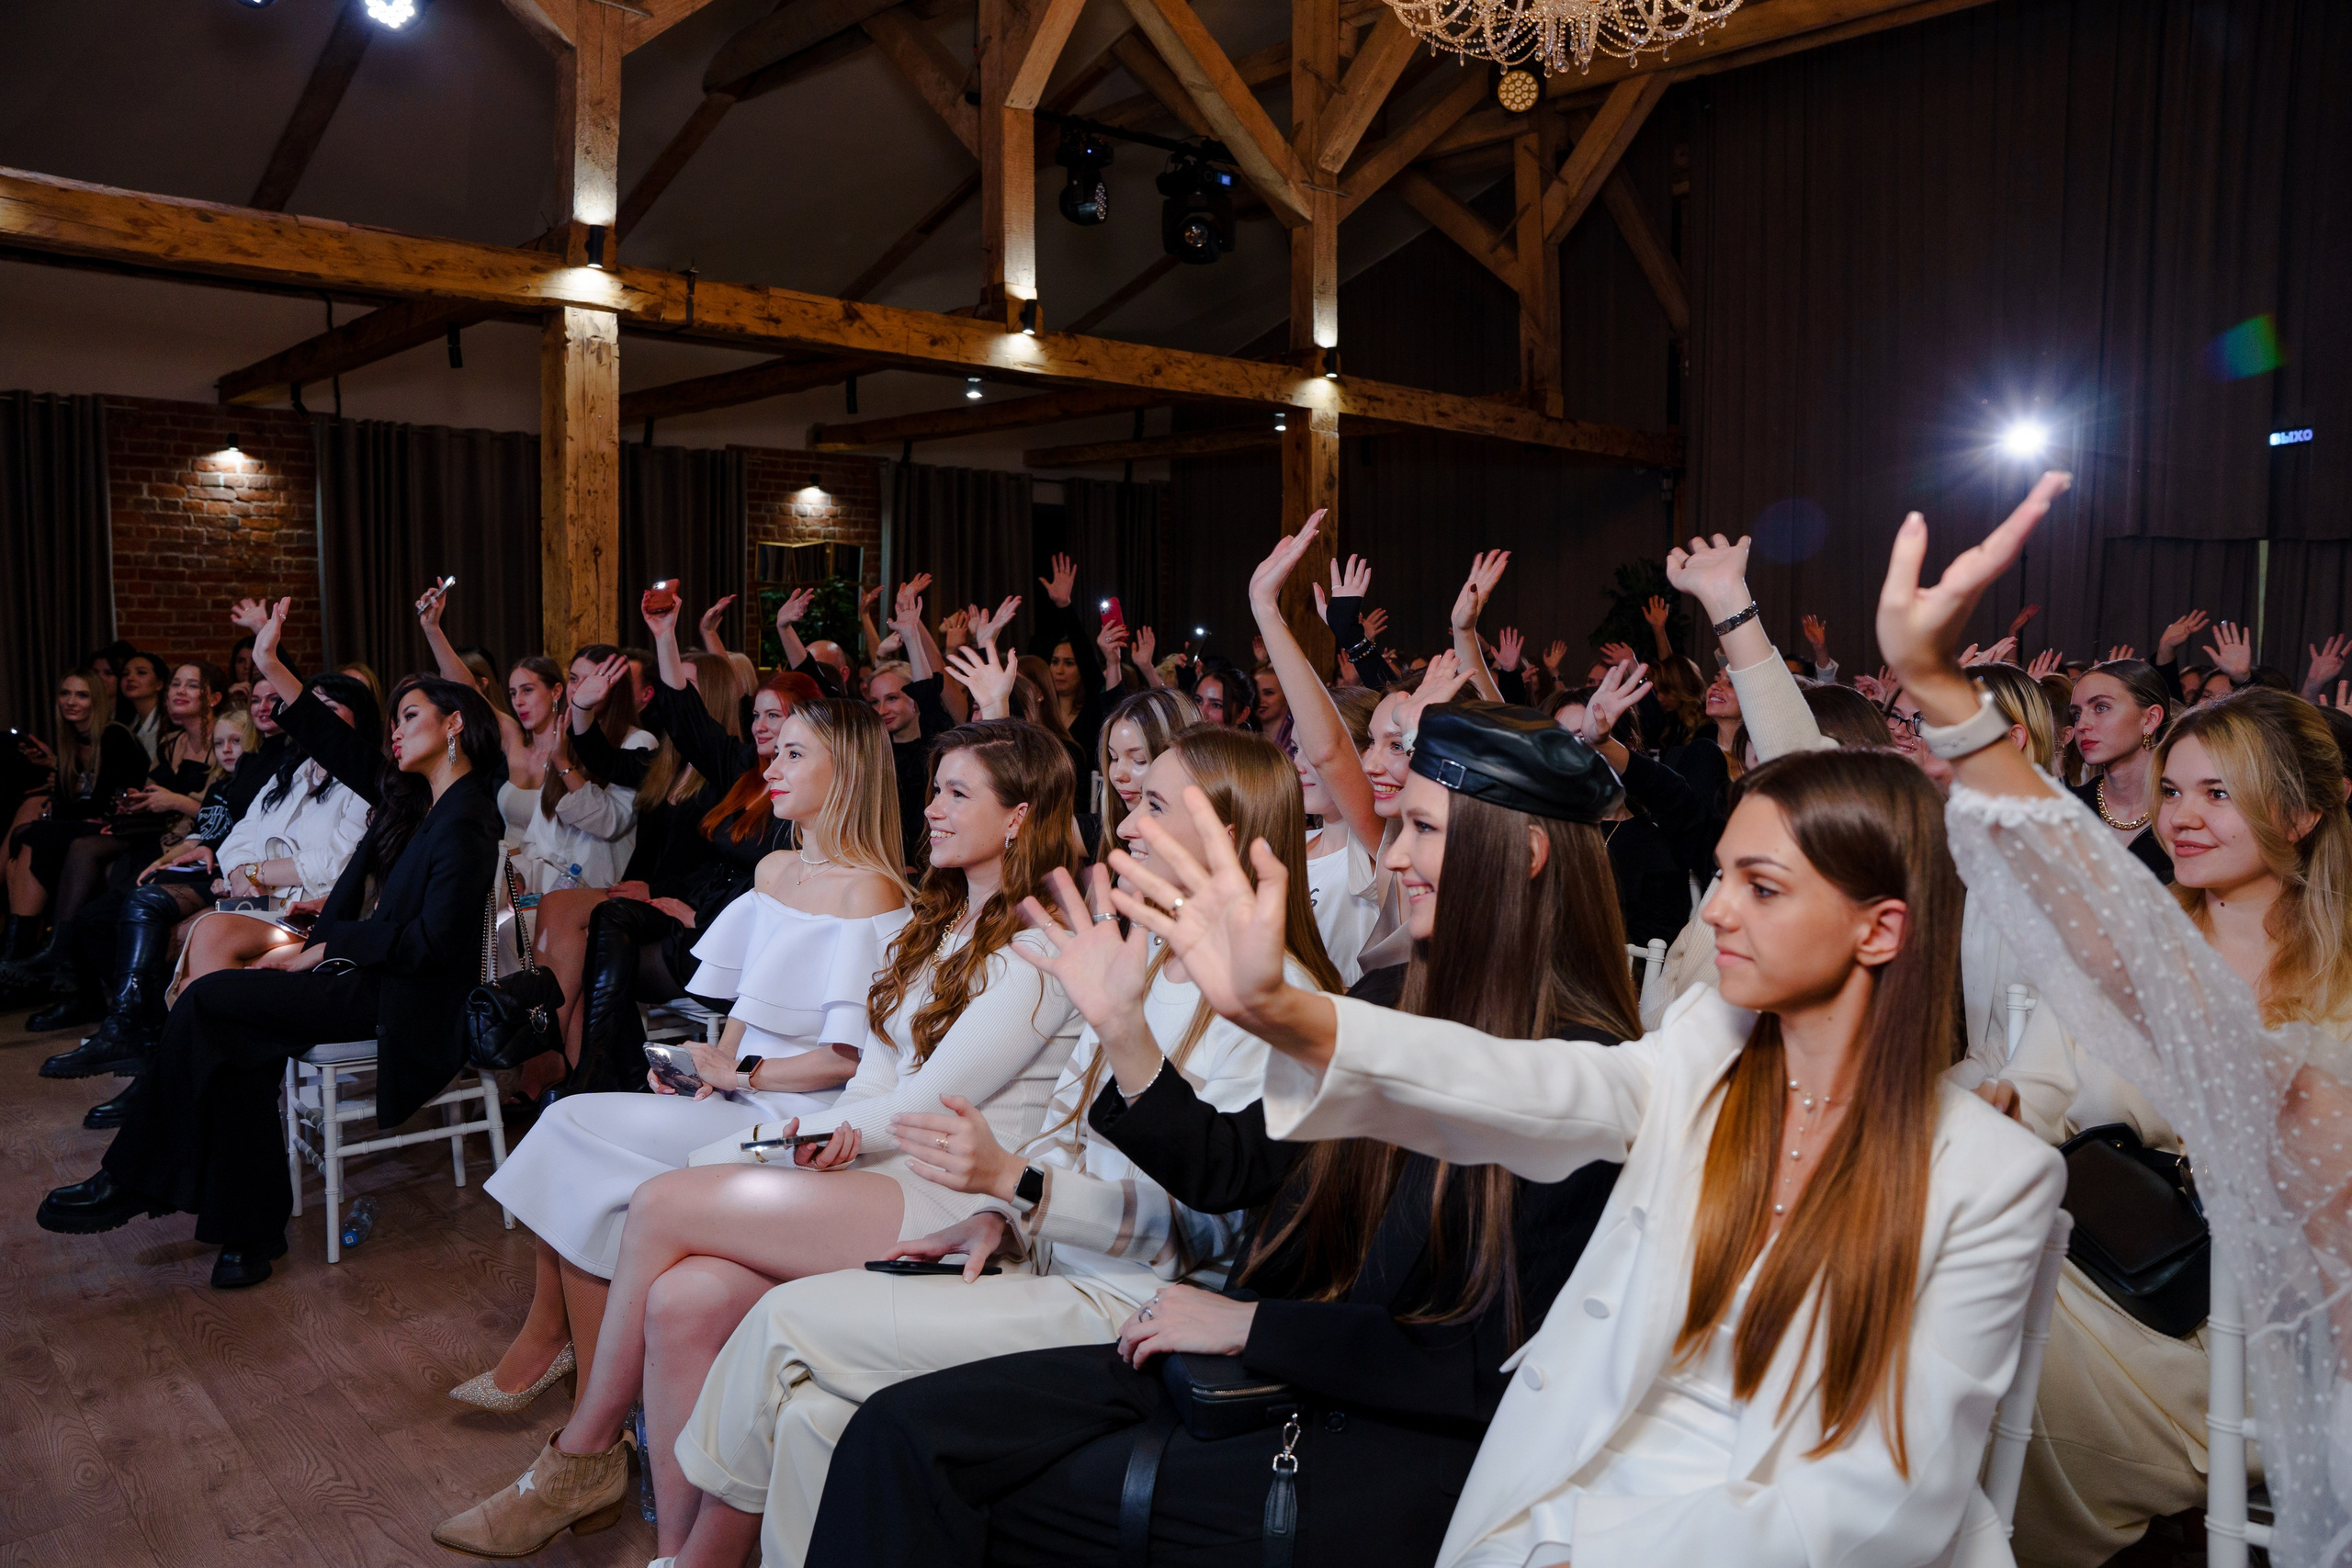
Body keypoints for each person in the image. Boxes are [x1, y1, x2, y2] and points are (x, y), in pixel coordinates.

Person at [1091, 719, 2066, 1566]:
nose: (1715, 910)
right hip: (1567, 1478)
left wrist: (1591, 1557)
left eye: (1760, 888)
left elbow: (1886, 1500)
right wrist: (1282, 1012)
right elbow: (1532, 1086)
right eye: (1720, 873)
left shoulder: (1993, 1175)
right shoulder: (1700, 1051)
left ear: (1880, 931)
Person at [807, 704, 1651, 1568]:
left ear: (1526, 852)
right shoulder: (1395, 998)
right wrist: (1125, 1033)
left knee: (960, 1484)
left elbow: (1477, 1363)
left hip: (1371, 1434)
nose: (1394, 855)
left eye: (1422, 830)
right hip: (1255, 1366)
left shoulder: (1585, 1071)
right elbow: (1239, 1166)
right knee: (897, 1433)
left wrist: (1256, 1328)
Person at [650, 726, 1316, 1568]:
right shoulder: (1143, 957)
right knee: (811, 1415)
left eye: (1152, 804)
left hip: (1133, 1304)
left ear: (1226, 830)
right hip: (1043, 1255)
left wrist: (1019, 1185)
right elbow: (1056, 1139)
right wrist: (1004, 1214)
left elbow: (1217, 1226)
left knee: (782, 1321)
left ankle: (687, 1561)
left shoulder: (1283, 1000)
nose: (1129, 825)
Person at [431, 719, 1086, 1560]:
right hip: (879, 1161)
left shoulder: (1036, 950)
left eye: (959, 793)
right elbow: (878, 1081)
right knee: (682, 1297)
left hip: (958, 1199)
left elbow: (925, 1103)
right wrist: (799, 1129)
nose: (934, 809)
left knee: (662, 1201)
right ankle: (682, 1552)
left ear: (1021, 817)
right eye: (935, 789)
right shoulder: (940, 925)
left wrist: (780, 1130)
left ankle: (582, 1453)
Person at [1873, 471, 2352, 1564]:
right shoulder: (2149, 945)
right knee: (1908, 1270)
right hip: (2098, 1264)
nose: (2181, 819)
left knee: (1951, 1316)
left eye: (2216, 794)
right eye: (2174, 790)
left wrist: (1939, 689)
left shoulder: (2335, 983)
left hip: (2229, 1337)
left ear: (2305, 811)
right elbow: (2045, 1079)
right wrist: (1997, 1096)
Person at [447, 697, 910, 1416]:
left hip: (802, 1113)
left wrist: (745, 1073)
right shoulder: (776, 871)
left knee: (576, 1136)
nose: (772, 765)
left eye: (795, 754)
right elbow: (748, 1005)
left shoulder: (871, 888)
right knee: (570, 1125)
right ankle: (581, 1368)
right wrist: (707, 1062)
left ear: (846, 771)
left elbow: (847, 1059)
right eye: (775, 749)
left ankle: (567, 1361)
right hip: (741, 1090)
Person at [36, 596, 506, 1291]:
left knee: (210, 1005)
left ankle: (136, 1177)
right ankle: (246, 1230)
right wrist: (267, 659)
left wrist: (329, 942)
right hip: (364, 975)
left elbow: (433, 945)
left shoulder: (468, 818)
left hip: (402, 1002)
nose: (395, 731)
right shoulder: (416, 800)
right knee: (229, 1031)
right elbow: (333, 739)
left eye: (410, 716)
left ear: (456, 724)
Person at [40, 670, 373, 1105]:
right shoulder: (291, 772)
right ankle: (170, 1066)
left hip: (315, 906)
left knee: (197, 936)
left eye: (328, 710)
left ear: (358, 717)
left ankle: (174, 1078)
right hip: (263, 897)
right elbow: (239, 835)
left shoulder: (364, 777)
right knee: (173, 931)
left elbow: (337, 860)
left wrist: (254, 873)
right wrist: (242, 871)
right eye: (310, 709)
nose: (314, 719)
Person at [562, 589, 803, 1094]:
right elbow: (684, 720)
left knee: (607, 941)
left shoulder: (815, 796)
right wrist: (666, 636)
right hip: (694, 918)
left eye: (774, 717)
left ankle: (600, 1077)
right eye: (757, 716)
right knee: (608, 920)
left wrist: (699, 915)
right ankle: (603, 1074)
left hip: (729, 945)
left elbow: (790, 891)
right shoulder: (741, 768)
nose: (761, 727)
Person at [1247, 514, 1383, 984]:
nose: (1300, 762)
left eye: (1312, 750)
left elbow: (1332, 751)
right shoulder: (1289, 845)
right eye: (1294, 748)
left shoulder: (1376, 848)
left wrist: (1267, 609)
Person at [2064, 659, 2173, 883]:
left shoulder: (2182, 813)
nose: (2082, 725)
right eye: (2077, 714)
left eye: (2101, 707)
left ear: (2150, 719)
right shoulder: (2066, 808)